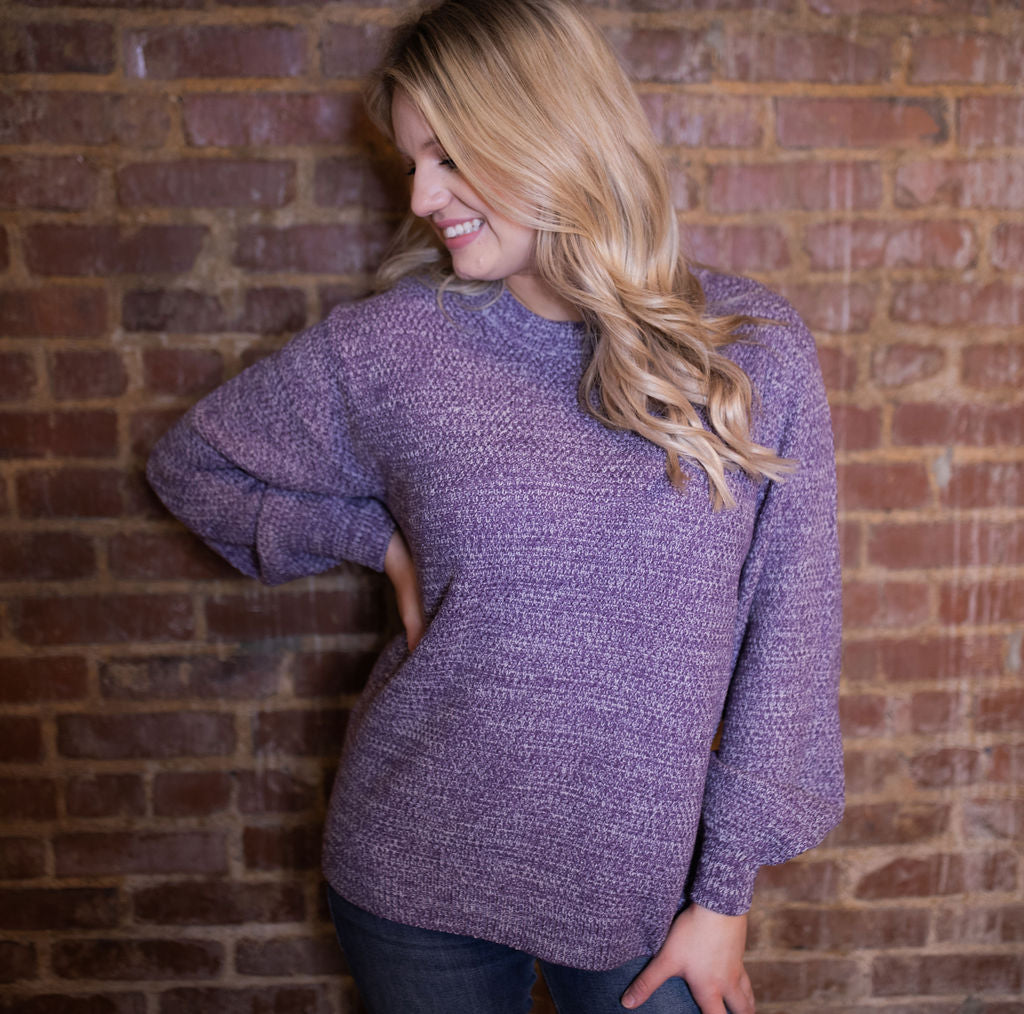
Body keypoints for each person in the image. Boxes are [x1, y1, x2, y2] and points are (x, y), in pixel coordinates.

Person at [146, 0, 844, 1011]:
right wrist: (376, 541)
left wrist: (722, 897)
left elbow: (791, 638)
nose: (421, 195)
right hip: (414, 875)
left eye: (449, 157)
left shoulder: (749, 353)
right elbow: (191, 467)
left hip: (647, 893)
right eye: (411, 163)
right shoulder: (392, 349)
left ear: (549, 133)